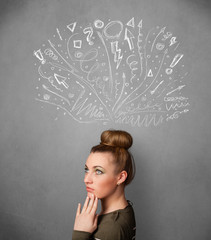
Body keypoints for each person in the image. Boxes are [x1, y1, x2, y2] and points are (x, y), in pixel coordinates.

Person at [72, 129, 136, 240]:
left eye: (98, 171)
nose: (86, 179)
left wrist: (80, 233)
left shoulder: (111, 229)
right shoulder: (125, 209)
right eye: (87, 170)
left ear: (120, 177)